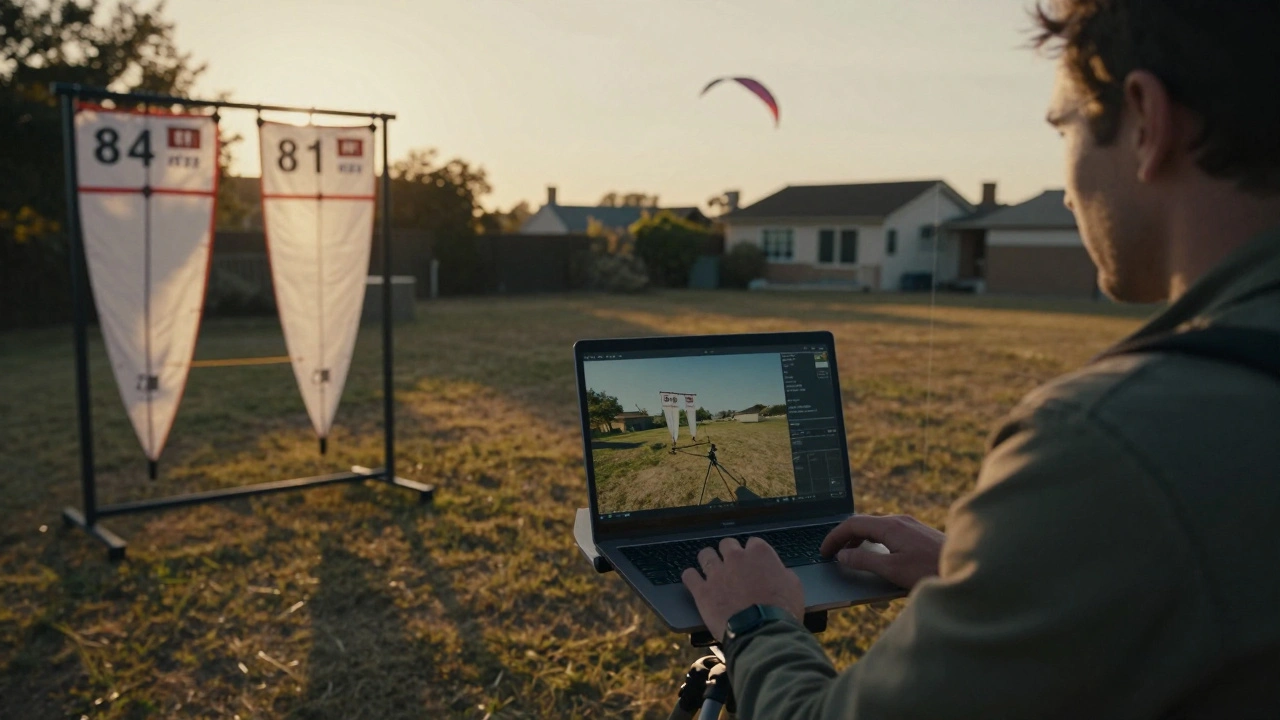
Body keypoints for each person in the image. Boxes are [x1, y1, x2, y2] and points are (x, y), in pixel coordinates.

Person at [681, 1, 1280, 717]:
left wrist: (756, 622)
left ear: (1146, 120)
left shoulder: (1112, 443)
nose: (1065, 186)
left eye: (1064, 127)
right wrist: (1011, 579)